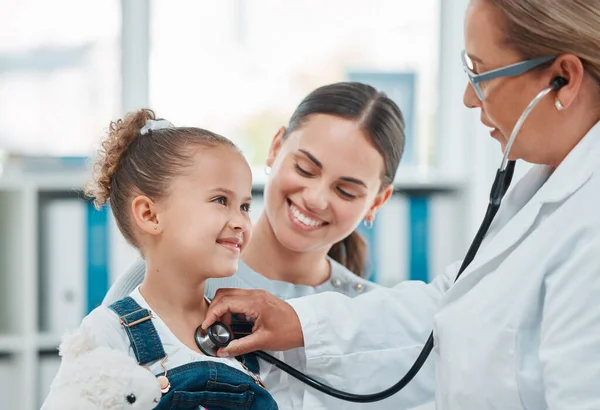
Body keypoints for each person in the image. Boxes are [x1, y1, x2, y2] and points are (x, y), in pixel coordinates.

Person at [200, 1, 600, 409]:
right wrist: (300, 321)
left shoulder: (588, 223)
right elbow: (442, 308)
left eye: (480, 74)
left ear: (563, 79)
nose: (467, 97)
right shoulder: (542, 192)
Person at [43, 109, 280, 409]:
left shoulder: (246, 332)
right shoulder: (107, 333)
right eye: (221, 200)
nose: (241, 222)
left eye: (245, 206)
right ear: (149, 215)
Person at [103, 82, 405, 302]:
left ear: (376, 202)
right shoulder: (173, 271)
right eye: (304, 169)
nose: (315, 198)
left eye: (345, 191)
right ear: (275, 148)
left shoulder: (370, 314)